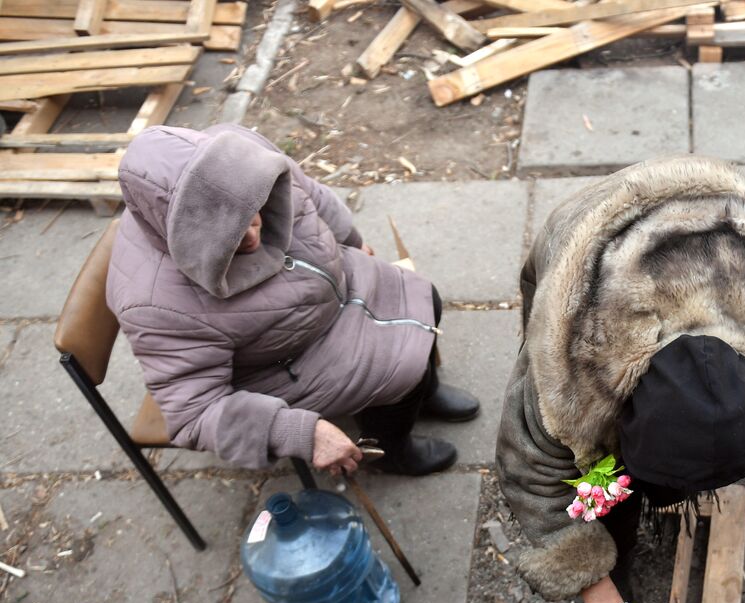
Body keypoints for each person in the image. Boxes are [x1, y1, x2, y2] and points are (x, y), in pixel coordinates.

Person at [497, 156, 745, 603]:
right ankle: (620, 549)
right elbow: (530, 478)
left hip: (728, 282)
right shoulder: (568, 371)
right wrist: (598, 593)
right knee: (607, 485)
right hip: (583, 243)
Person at [107, 124, 478, 476]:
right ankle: (392, 450)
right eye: (225, 237)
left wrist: (351, 239)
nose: (251, 235)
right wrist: (298, 432)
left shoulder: (240, 151)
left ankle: (423, 393)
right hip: (287, 359)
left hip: (328, 286)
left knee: (426, 296)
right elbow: (194, 413)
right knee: (400, 370)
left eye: (251, 210)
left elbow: (311, 193)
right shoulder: (155, 304)